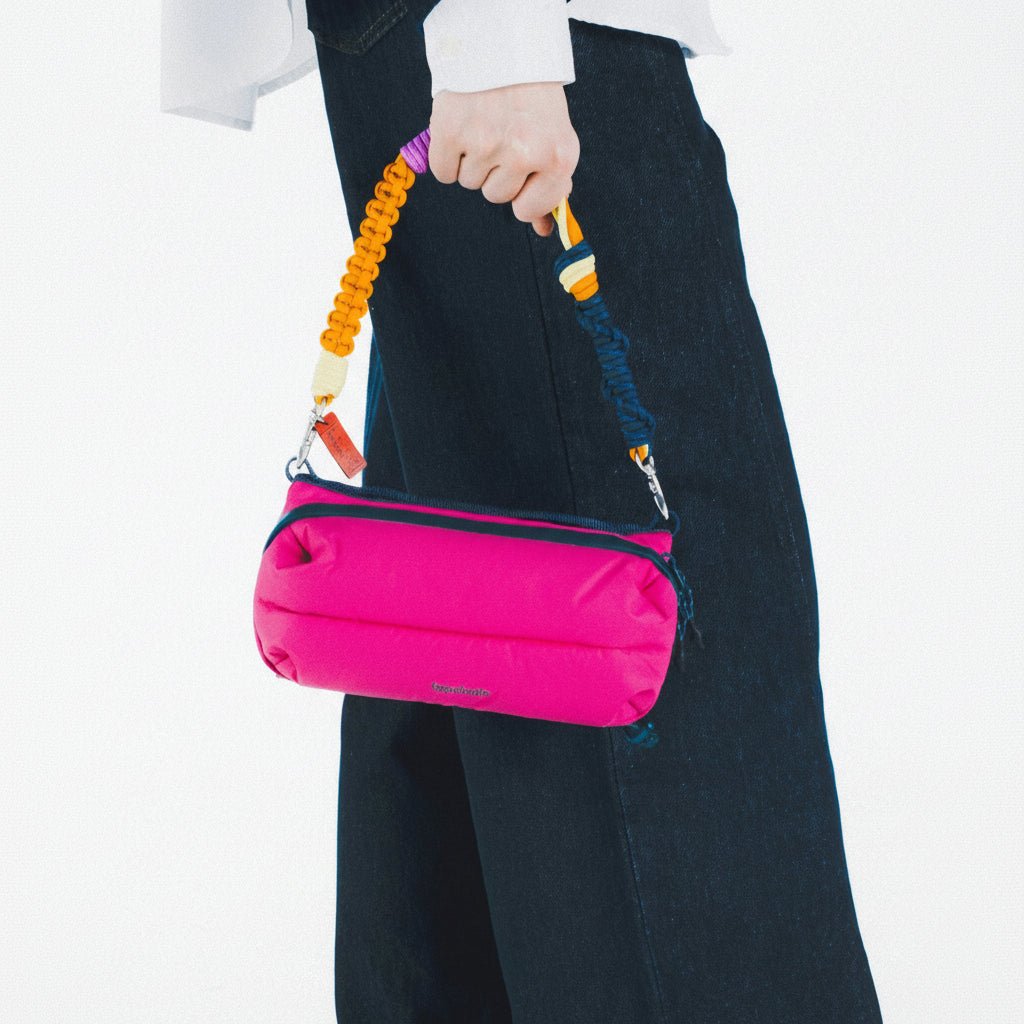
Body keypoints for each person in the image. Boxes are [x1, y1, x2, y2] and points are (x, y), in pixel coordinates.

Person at [163, 2, 885, 1020]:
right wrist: (498, 35)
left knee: (460, 636)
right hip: (507, 43)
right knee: (677, 669)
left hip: (444, 38)